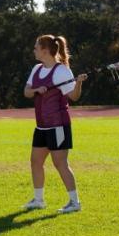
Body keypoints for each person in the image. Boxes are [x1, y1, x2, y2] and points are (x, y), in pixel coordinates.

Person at [23, 35, 87, 214]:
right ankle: (38, 200)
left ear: (45, 50)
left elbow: (73, 96)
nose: (34, 50)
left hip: (58, 125)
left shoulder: (62, 71)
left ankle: (74, 202)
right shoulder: (36, 69)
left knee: (60, 163)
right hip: (42, 126)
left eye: (36, 47)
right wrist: (36, 90)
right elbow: (27, 92)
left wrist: (78, 83)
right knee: (35, 161)